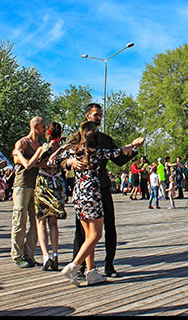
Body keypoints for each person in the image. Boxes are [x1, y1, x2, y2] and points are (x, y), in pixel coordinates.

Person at [50, 121, 144, 286]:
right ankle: (74, 265)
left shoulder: (72, 151)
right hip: (92, 194)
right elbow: (119, 151)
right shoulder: (98, 153)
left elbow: (52, 160)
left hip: (78, 193)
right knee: (96, 235)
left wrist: (69, 159)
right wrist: (134, 144)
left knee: (88, 236)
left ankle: (91, 271)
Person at [65, 103, 139, 279]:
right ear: (87, 116)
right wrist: (70, 163)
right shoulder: (76, 138)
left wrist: (134, 148)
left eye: (100, 115)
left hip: (103, 187)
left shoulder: (105, 138)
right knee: (82, 231)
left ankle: (109, 265)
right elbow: (61, 157)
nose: (99, 118)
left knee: (109, 227)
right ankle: (80, 265)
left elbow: (119, 158)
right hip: (85, 190)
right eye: (95, 115)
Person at [14, 122, 67, 271]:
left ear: (49, 133)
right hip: (56, 183)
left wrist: (19, 154)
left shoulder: (43, 148)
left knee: (41, 222)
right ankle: (55, 255)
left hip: (43, 183)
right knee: (53, 223)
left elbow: (29, 164)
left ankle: (45, 257)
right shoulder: (62, 149)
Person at [11, 116, 47, 268]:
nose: (45, 129)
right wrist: (38, 159)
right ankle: (17, 256)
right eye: (43, 126)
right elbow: (21, 162)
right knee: (19, 220)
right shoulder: (22, 143)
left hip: (37, 185)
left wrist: (37, 162)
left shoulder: (41, 144)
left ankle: (29, 254)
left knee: (36, 221)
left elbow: (44, 164)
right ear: (35, 127)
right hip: (22, 185)